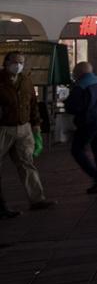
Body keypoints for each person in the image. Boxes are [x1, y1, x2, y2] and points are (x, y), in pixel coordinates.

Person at [0, 52, 55, 216]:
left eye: (21, 62)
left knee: (27, 163)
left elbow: (32, 104)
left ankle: (37, 199)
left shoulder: (25, 80)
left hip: (23, 128)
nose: (18, 65)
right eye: (15, 62)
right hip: (3, 128)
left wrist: (36, 124)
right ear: (6, 62)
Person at [67, 62, 97, 194]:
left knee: (77, 150)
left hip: (90, 122)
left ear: (79, 73)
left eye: (75, 73)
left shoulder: (81, 86)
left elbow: (72, 106)